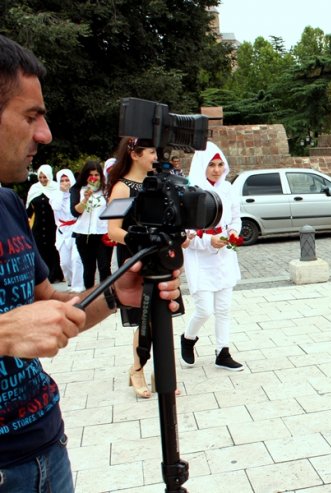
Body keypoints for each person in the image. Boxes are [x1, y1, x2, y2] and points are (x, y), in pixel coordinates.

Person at [0, 33, 181, 493]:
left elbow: (51, 305)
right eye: (31, 116)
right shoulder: (116, 191)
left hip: (44, 446)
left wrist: (115, 297)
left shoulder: (6, 205)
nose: (45, 134)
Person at [106, 136, 167, 398]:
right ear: (135, 154)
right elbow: (112, 231)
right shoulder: (121, 188)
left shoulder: (157, 184)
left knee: (161, 316)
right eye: (151, 152)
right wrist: (138, 238)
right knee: (147, 318)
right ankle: (138, 368)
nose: (155, 157)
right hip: (135, 259)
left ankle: (163, 372)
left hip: (159, 257)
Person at [180, 141, 244, 371]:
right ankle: (188, 338)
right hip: (200, 257)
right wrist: (208, 240)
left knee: (224, 307)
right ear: (201, 166)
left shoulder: (228, 189)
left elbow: (235, 218)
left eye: (219, 164)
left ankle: (222, 350)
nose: (216, 170)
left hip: (223, 254)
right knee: (204, 309)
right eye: (211, 165)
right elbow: (186, 234)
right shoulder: (191, 191)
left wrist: (233, 233)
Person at [70, 160, 114, 289]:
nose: (94, 178)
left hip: (102, 234)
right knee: (89, 268)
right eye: (91, 175)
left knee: (104, 266)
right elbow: (74, 212)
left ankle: (107, 296)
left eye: (97, 175)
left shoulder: (106, 190)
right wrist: (85, 199)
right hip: (84, 235)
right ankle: (89, 297)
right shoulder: (78, 189)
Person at [25, 163, 64, 282]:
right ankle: (45, 276)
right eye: (40, 177)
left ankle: (55, 273)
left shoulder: (56, 188)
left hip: (52, 225)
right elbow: (29, 209)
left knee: (53, 249)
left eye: (45, 177)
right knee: (40, 250)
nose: (42, 180)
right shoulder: (34, 189)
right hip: (38, 226)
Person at [50, 168, 85, 292]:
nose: (65, 182)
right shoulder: (55, 195)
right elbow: (56, 206)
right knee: (64, 263)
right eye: (62, 180)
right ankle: (70, 283)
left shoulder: (77, 193)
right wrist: (61, 192)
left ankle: (78, 287)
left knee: (76, 259)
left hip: (76, 229)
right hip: (62, 231)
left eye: (67, 180)